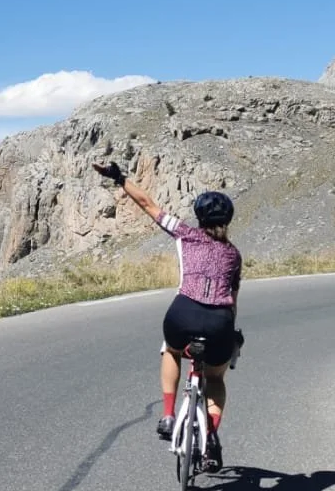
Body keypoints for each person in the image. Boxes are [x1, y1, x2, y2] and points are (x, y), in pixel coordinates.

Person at [90, 160, 241, 471]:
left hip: (182, 314)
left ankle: (169, 415)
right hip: (219, 322)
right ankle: (211, 437)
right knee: (215, 377)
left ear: (199, 217)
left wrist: (119, 177)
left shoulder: (185, 234)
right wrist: (230, 332)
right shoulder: (234, 254)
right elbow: (233, 300)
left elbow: (148, 204)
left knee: (171, 350)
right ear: (228, 219)